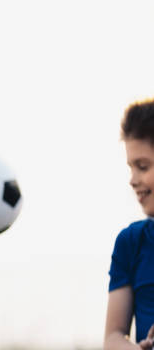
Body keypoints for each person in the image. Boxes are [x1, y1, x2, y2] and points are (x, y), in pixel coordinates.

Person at [104, 98, 154, 350]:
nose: (133, 180)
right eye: (131, 167)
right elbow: (113, 337)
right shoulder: (131, 242)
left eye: (143, 167)